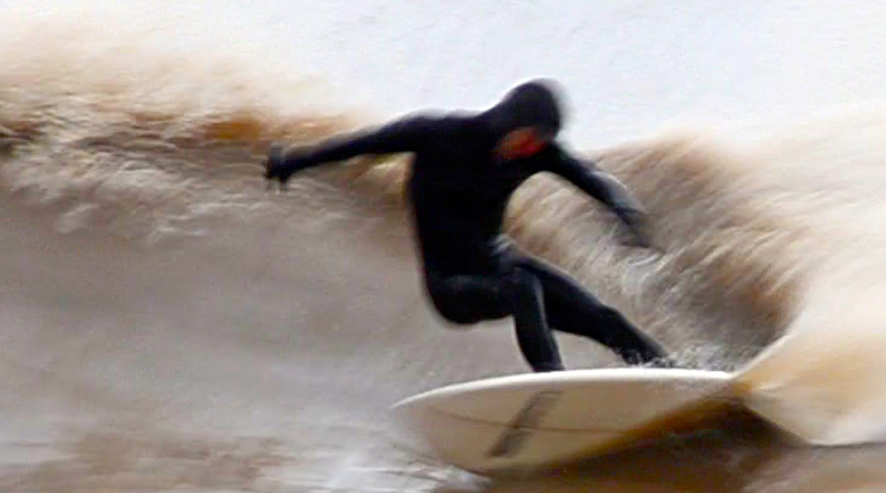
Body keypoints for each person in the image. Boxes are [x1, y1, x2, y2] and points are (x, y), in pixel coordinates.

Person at [264, 80, 670, 372]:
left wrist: (625, 211)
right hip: (452, 285)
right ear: (509, 122)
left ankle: (672, 377)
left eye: (541, 143)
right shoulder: (437, 135)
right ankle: (551, 383)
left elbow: (588, 176)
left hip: (500, 264)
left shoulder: (536, 153)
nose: (534, 150)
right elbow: (361, 144)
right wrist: (294, 162)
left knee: (603, 318)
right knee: (522, 287)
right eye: (530, 139)